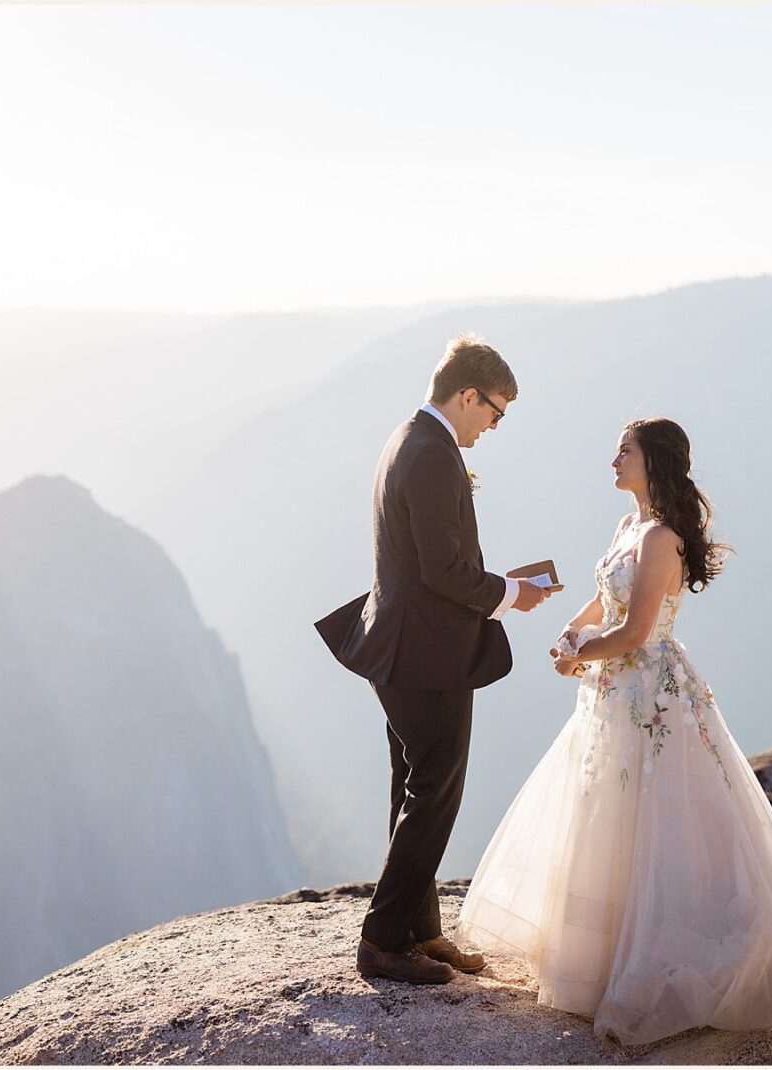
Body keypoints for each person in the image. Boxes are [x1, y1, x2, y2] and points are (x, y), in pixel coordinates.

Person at [453, 417, 772, 1043]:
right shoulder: (628, 527)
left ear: (651, 461)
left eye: (623, 451)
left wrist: (583, 654)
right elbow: (605, 602)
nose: (612, 459)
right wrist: (572, 632)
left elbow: (635, 632)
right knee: (607, 815)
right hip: (611, 691)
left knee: (654, 818)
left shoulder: (660, 538)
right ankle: (602, 962)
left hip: (647, 693)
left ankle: (662, 964)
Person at [314, 334, 553, 985]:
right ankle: (382, 939)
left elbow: (431, 563)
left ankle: (419, 933)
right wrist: (510, 593)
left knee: (412, 787)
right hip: (425, 655)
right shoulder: (432, 455)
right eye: (496, 411)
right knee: (435, 792)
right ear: (469, 394)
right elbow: (443, 570)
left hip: (398, 646)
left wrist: (500, 583)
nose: (495, 426)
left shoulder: (409, 440)